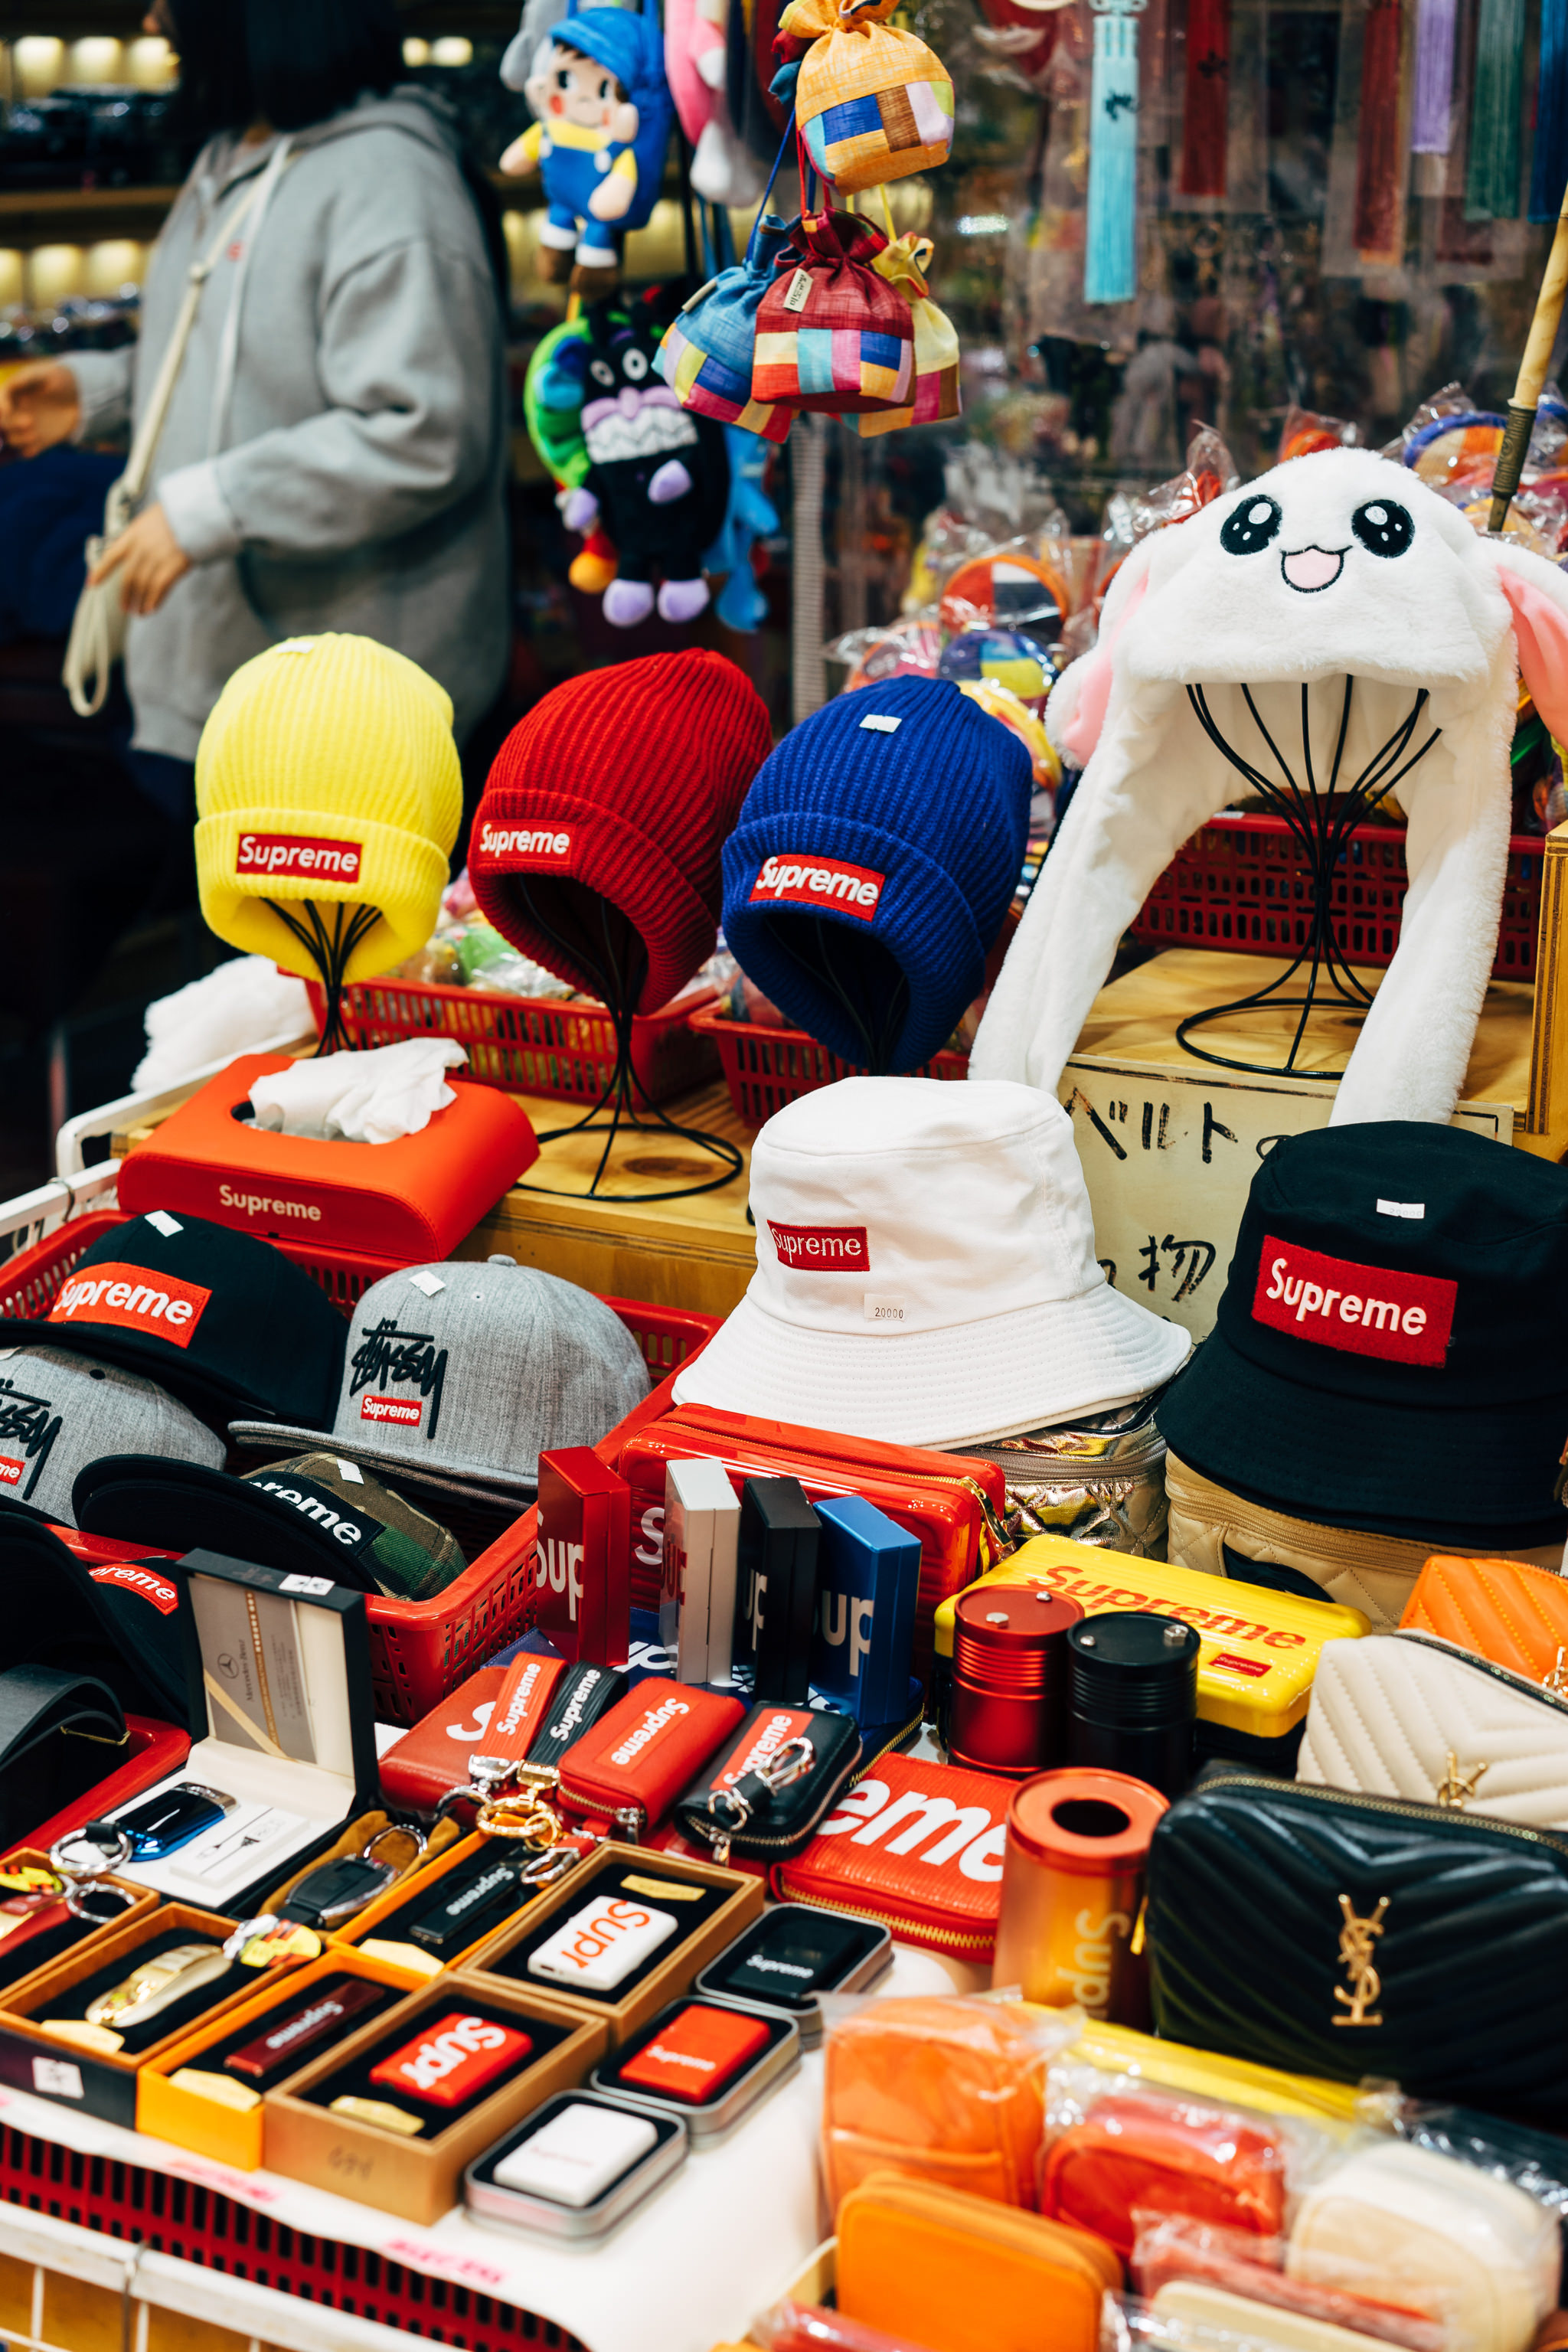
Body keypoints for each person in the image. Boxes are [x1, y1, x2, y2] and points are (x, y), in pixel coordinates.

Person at [0, 0, 511, 822]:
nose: (154, 21)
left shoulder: (389, 180)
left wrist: (212, 508)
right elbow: (237, 363)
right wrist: (97, 395)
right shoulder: (232, 156)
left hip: (337, 730)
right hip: (221, 687)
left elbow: (423, 431)